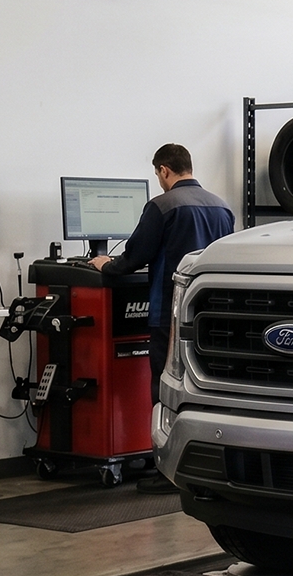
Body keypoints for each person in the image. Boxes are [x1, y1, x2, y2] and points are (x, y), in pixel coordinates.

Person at [89, 144, 234, 406]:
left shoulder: (162, 205)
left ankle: (162, 441)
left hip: (171, 313)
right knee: (205, 383)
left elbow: (135, 256)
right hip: (212, 314)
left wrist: (105, 265)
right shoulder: (222, 207)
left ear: (164, 170)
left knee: (166, 381)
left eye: (158, 175)